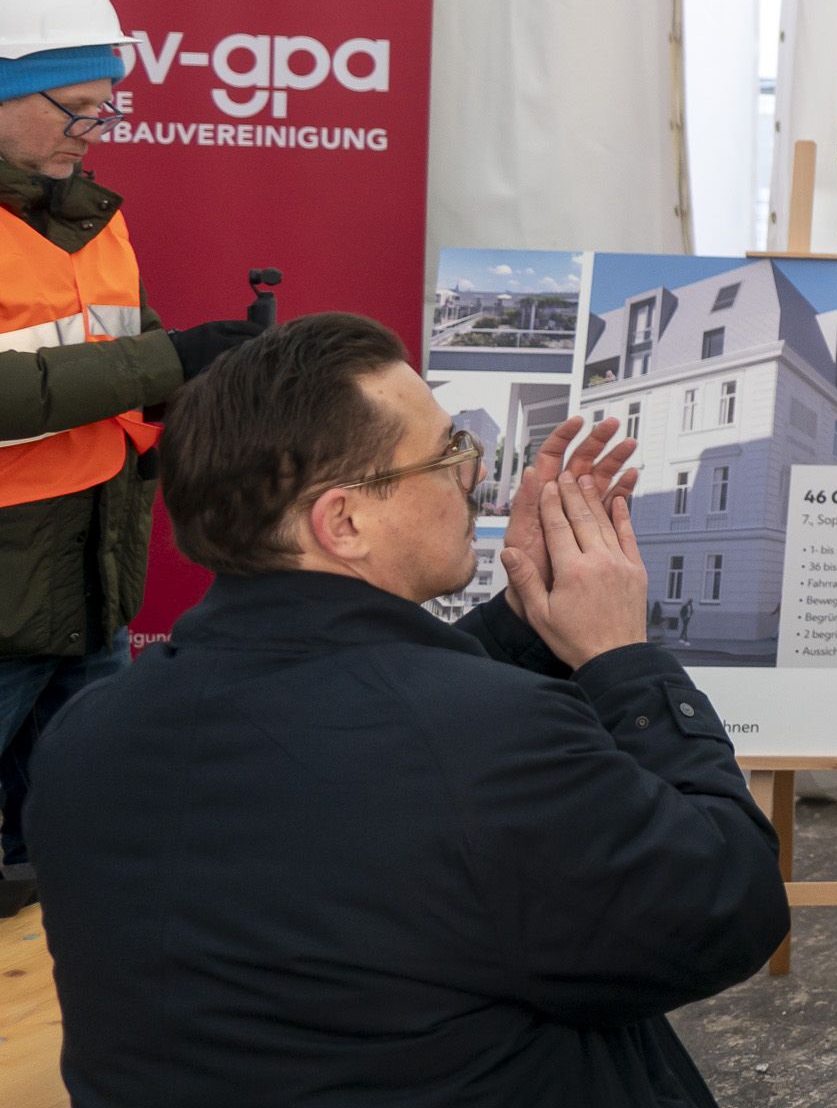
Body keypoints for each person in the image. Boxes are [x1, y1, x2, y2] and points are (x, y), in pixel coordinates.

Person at [28, 312, 788, 1107]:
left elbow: (369, 739)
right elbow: (725, 906)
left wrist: (522, 621)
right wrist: (623, 662)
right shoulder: (488, 742)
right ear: (344, 522)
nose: (474, 474)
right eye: (449, 452)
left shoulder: (87, 735)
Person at [0, 0, 266, 915]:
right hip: (6, 600)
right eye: (75, 110)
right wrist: (172, 357)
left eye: (105, 108)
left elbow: (130, 363)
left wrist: (216, 377)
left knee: (85, 849)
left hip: (90, 584)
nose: (95, 130)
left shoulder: (89, 215)